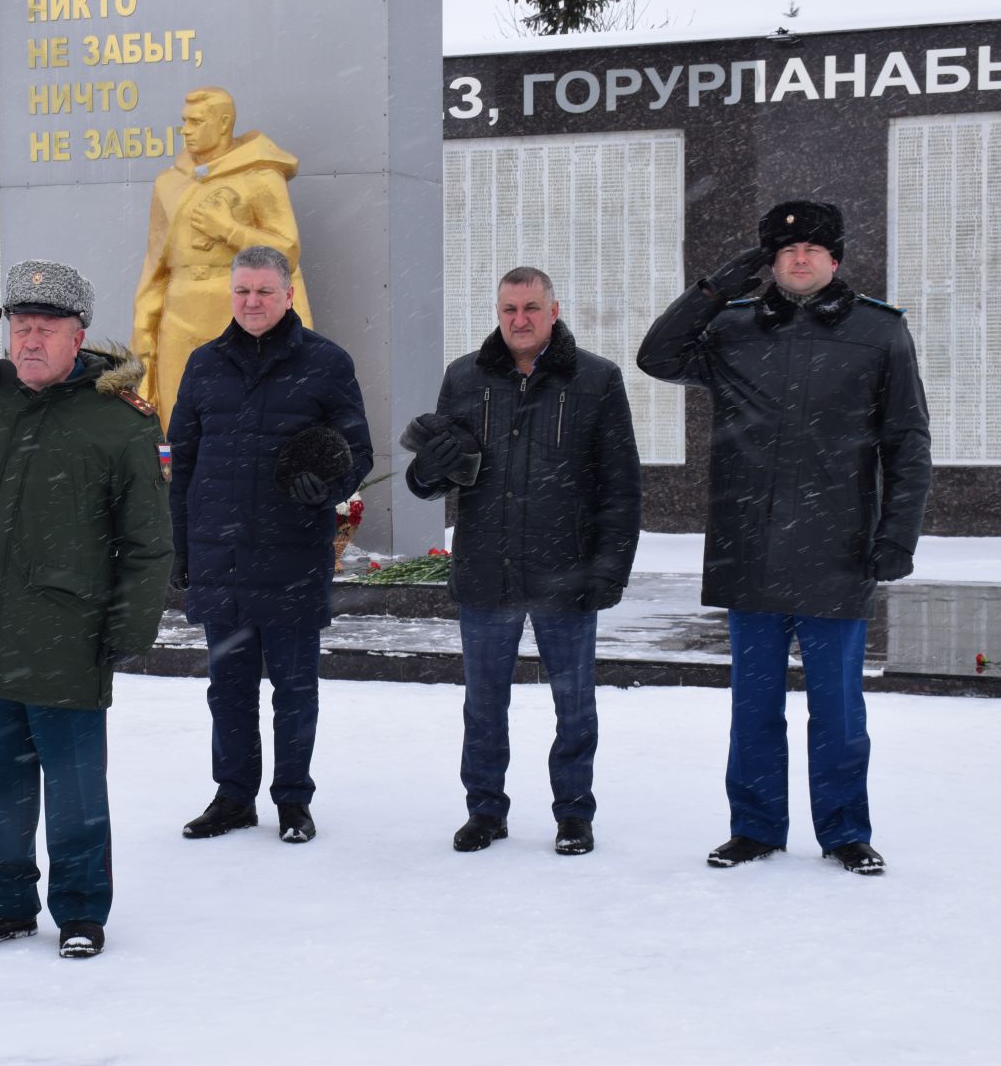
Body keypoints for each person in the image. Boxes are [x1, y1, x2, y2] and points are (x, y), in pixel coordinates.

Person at [638, 201, 931, 876]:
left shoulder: (878, 333)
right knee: (754, 707)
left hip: (839, 546)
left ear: (835, 259)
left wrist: (898, 534)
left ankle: (845, 831)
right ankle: (756, 827)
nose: (800, 260)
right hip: (751, 544)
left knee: (838, 710)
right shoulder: (734, 328)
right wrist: (716, 287)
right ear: (770, 262)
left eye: (814, 250)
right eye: (785, 251)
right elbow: (657, 355)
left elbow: (907, 441)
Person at [0, 261, 170, 960]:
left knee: (75, 789)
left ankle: (79, 910)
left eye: (45, 329)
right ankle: (6, 902)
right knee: (2, 783)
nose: (30, 341)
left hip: (66, 632)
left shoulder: (117, 421)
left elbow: (147, 541)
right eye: (20, 327)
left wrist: (128, 629)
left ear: (79, 338)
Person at [402, 267, 641, 856]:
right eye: (509, 309)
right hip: (487, 569)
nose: (520, 320)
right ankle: (484, 811)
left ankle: (574, 814)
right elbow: (431, 483)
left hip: (567, 571)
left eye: (531, 307)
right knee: (483, 703)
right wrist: (429, 466)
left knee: (574, 703)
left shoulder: (597, 380)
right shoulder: (465, 378)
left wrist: (609, 568)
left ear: (554, 310)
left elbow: (621, 487)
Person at [168, 244, 373, 845]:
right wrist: (181, 548)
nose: (251, 301)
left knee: (294, 688)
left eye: (263, 291)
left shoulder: (326, 363)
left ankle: (292, 800)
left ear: (287, 294)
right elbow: (182, 461)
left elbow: (356, 449)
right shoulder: (204, 364)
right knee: (227, 689)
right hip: (221, 556)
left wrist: (328, 484)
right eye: (242, 291)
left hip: (291, 554)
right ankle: (233, 797)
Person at [131, 86, 314, 428]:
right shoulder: (169, 183)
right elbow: (155, 263)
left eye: (197, 121)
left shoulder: (260, 175)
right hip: (180, 313)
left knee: (248, 418)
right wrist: (144, 324)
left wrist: (228, 229)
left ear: (224, 122)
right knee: (177, 420)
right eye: (184, 121)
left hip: (241, 313)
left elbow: (286, 251)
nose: (186, 129)